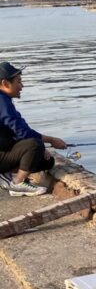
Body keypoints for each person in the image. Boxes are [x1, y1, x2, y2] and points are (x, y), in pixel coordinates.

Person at [0, 62, 66, 197]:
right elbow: (22, 132)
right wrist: (51, 140)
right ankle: (17, 184)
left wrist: (41, 148)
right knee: (34, 145)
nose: (22, 86)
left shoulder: (4, 100)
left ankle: (9, 173)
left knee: (46, 161)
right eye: (19, 82)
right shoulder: (2, 101)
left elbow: (17, 130)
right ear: (5, 83)